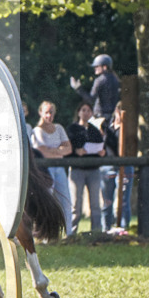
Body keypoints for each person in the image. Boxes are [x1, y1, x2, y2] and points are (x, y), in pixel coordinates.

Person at [31, 101, 74, 236]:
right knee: (46, 200)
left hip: (59, 168)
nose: (49, 115)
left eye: (51, 112)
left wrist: (53, 151)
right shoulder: (37, 130)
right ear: (41, 113)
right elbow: (42, 151)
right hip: (45, 169)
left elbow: (68, 148)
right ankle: (45, 234)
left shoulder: (59, 128)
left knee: (65, 200)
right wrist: (59, 151)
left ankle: (68, 233)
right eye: (46, 112)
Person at [67, 102, 106, 232]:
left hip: (93, 170)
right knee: (75, 204)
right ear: (79, 112)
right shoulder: (72, 129)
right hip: (77, 170)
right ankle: (71, 232)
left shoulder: (95, 130)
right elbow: (67, 148)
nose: (86, 113)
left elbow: (100, 146)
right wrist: (76, 152)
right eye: (83, 110)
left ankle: (96, 231)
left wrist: (102, 153)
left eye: (89, 110)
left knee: (95, 203)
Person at [101, 102, 133, 230]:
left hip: (125, 166)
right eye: (120, 111)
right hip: (108, 165)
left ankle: (124, 227)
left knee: (123, 200)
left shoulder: (129, 129)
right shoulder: (106, 126)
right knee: (107, 200)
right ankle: (106, 228)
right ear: (116, 111)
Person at [69, 54, 121, 122]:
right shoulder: (116, 79)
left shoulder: (100, 80)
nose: (95, 68)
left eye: (97, 66)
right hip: (113, 116)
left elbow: (90, 100)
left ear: (104, 67)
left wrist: (78, 88)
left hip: (100, 117)